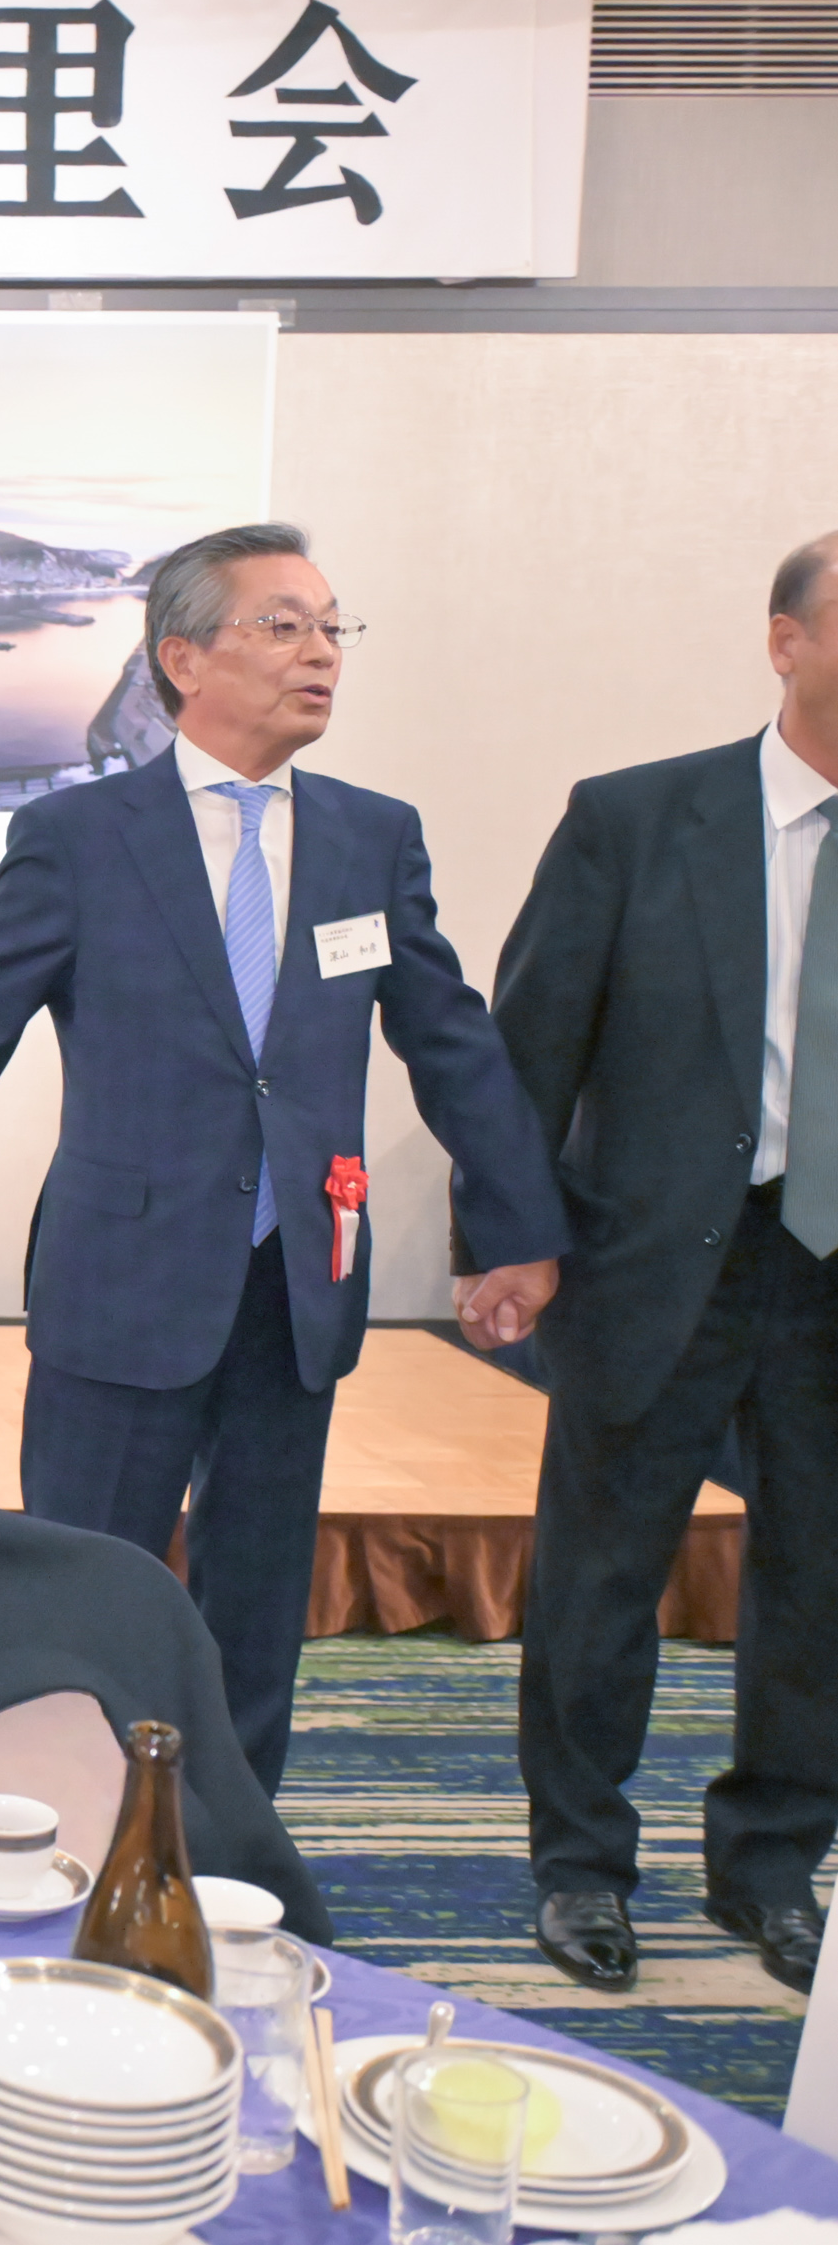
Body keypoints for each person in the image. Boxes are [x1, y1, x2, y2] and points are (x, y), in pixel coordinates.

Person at [0, 523, 566, 1797]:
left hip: (298, 1277)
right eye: (282, 625)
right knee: (81, 1588)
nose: (321, 651)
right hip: (121, 1273)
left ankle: (233, 1841)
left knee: (257, 1598)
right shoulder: (80, 835)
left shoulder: (369, 836)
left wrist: (512, 1226)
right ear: (181, 659)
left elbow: (449, 1040)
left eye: (332, 625)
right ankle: (64, 1822)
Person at [487, 529, 838, 1996]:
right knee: (601, 1575)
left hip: (829, 1267)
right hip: (657, 1257)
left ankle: (772, 1863)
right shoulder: (634, 818)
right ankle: (580, 1864)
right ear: (784, 639)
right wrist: (505, 1240)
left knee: (819, 1585)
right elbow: (527, 1045)